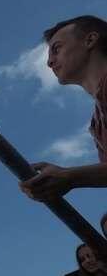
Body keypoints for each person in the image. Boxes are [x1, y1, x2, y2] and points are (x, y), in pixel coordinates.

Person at [19, 16, 107, 204]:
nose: (49, 62)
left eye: (57, 49)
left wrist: (71, 176)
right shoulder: (96, 123)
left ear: (90, 40)